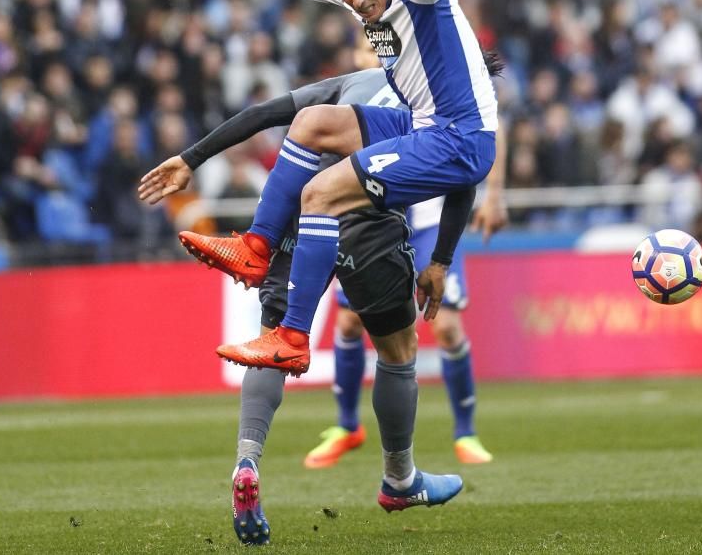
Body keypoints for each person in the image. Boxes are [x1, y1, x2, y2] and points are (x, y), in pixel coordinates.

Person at [174, 0, 497, 375]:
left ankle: (293, 337)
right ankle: (257, 249)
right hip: (423, 124)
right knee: (313, 123)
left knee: (321, 193)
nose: (356, 1)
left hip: (456, 137)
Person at [140, 70, 473, 545]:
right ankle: (399, 479)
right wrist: (439, 259)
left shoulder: (358, 81)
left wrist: (192, 157)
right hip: (369, 216)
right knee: (398, 351)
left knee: (273, 336)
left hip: (297, 202)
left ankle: (247, 459)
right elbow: (464, 173)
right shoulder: (449, 98)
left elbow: (265, 113)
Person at [304, 39, 507, 468]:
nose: (368, 57)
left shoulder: (424, 75)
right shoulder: (359, 90)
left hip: (430, 218)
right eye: (360, 51)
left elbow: (487, 125)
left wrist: (495, 194)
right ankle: (346, 425)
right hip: (375, 217)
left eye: (371, 50)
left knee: (447, 326)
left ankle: (466, 432)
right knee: (348, 318)